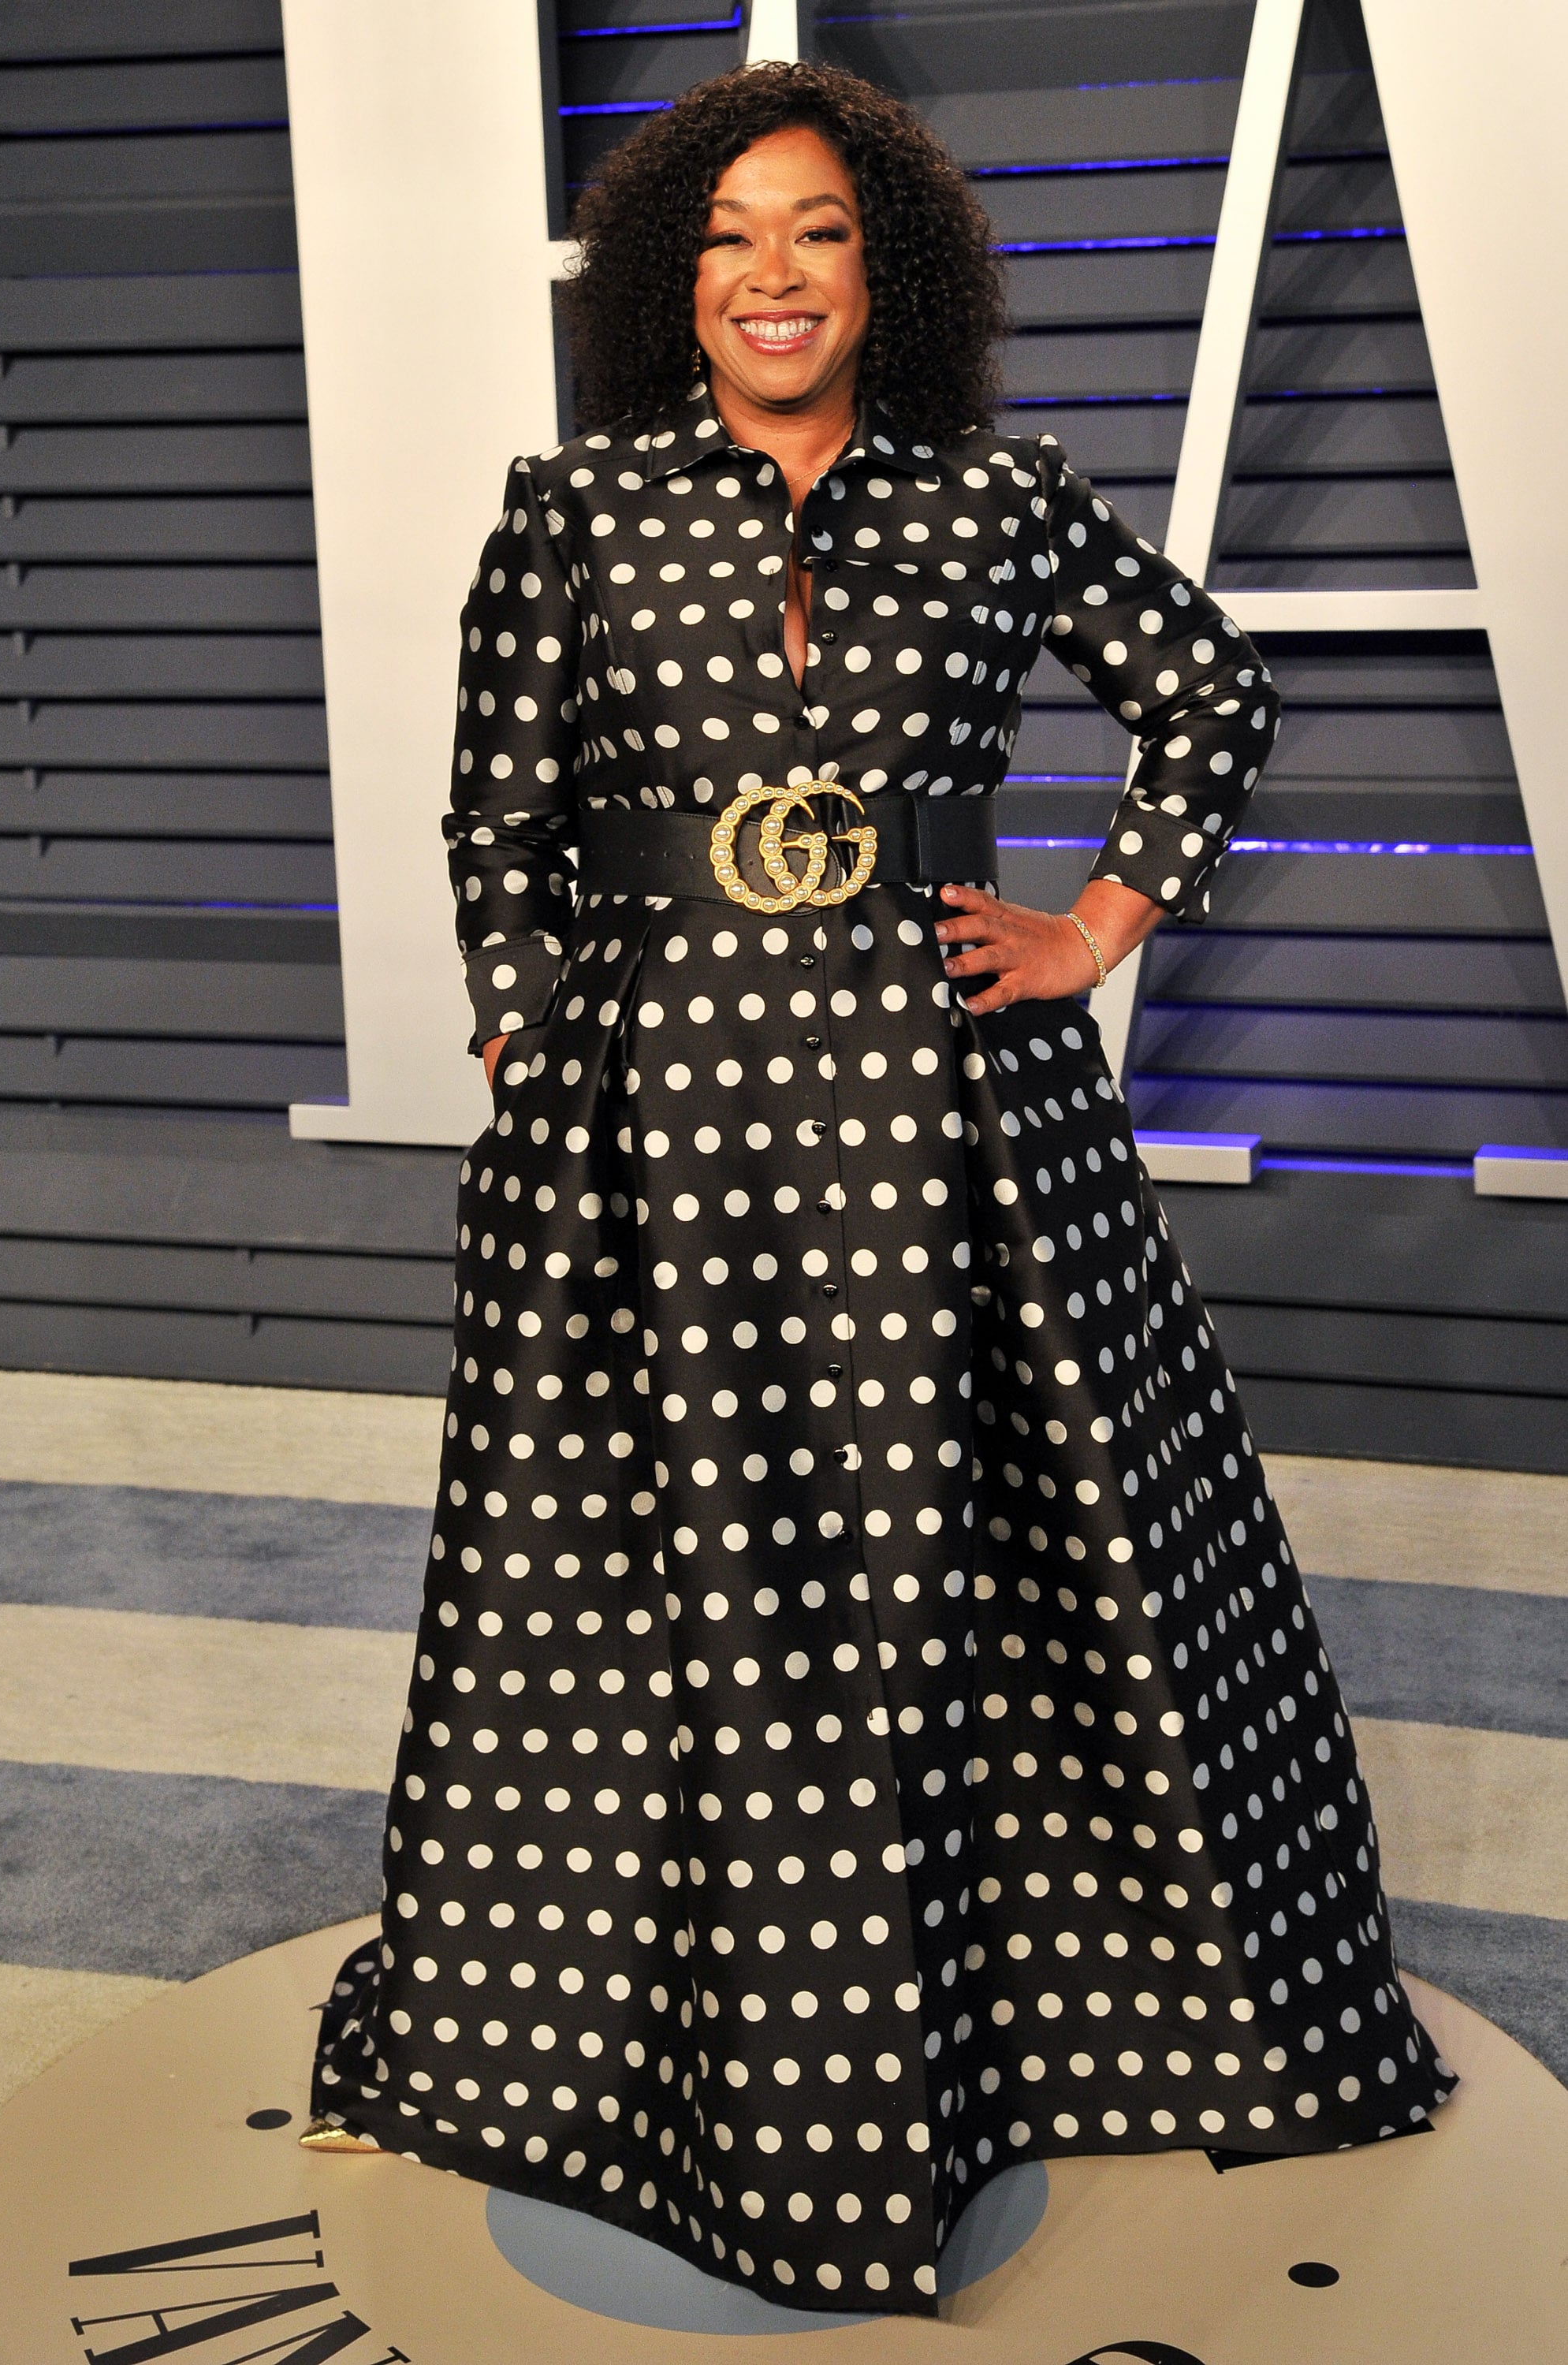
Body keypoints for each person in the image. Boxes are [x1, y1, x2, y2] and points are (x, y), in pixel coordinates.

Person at [307, 59, 1454, 2319]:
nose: (769, 273)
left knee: (1005, 1561)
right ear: (673, 277)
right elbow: (495, 823)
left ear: (883, 267)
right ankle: (619, 2055)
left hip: (953, 1134)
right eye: (730, 234)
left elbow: (1204, 699)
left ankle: (1015, 2027)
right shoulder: (576, 514)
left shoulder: (999, 503)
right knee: (635, 1593)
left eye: (816, 230)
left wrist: (1095, 925)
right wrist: (535, 1037)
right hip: (658, 1137)